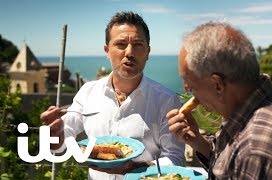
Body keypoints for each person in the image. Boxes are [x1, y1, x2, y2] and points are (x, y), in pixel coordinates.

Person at [40, 11, 185, 179]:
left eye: (137, 44)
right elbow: (63, 140)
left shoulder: (166, 100)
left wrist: (134, 169)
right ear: (107, 51)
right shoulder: (88, 92)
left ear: (147, 52)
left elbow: (176, 159)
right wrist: (53, 135)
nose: (129, 52)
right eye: (121, 44)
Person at [166, 22, 272, 179]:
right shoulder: (263, 101)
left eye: (189, 83)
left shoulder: (256, 149)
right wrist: (199, 142)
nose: (186, 89)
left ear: (217, 84)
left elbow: (246, 158)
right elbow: (233, 166)